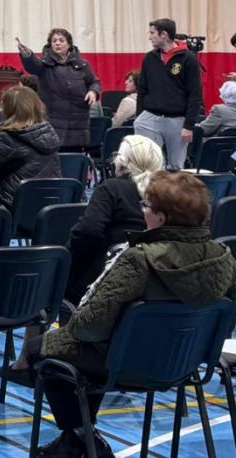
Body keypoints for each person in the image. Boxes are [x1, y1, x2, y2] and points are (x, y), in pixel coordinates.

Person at [22, 171, 236, 458]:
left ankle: (81, 436)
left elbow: (90, 328)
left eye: (145, 206)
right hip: (186, 364)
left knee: (42, 350)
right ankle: (79, 439)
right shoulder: (223, 257)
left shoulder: (138, 258)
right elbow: (227, 319)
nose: (142, 212)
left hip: (127, 363)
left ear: (160, 218)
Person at [65, 134, 162, 302]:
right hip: (154, 282)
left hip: (104, 281)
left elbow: (88, 231)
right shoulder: (168, 191)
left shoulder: (111, 188)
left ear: (122, 163)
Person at [134, 18, 203, 170]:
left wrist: (189, 125)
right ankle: (149, 193)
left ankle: (173, 194)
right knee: (148, 166)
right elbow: (142, 90)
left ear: (164, 34)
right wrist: (140, 115)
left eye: (152, 33)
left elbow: (195, 94)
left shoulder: (188, 59)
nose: (149, 37)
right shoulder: (149, 58)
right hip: (150, 117)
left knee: (176, 167)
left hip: (177, 121)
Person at [17, 29, 101, 152]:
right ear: (50, 45)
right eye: (54, 41)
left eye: (61, 40)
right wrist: (27, 55)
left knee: (74, 163)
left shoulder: (83, 64)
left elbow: (94, 82)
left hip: (78, 126)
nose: (57, 43)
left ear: (69, 44)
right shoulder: (44, 65)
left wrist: (93, 91)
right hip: (52, 125)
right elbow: (33, 65)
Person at [0, 85, 61, 209]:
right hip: (50, 206)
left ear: (11, 109)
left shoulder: (8, 138)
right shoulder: (49, 133)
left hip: (15, 206)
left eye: (2, 105)